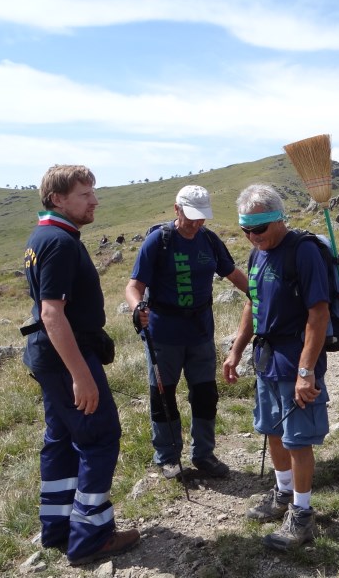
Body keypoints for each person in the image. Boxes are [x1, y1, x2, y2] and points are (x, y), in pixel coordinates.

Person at [22, 165, 139, 566]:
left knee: (59, 439)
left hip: (47, 355)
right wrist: (81, 375)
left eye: (93, 192)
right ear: (58, 199)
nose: (94, 200)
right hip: (64, 357)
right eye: (85, 193)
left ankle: (56, 528)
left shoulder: (44, 236)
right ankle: (91, 536)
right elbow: (53, 313)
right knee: (100, 436)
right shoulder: (59, 242)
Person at [222, 184, 330, 551]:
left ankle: (302, 515)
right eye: (246, 231)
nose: (253, 238)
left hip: (294, 359)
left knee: (298, 439)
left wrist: (306, 371)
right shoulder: (257, 255)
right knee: (271, 428)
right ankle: (283, 494)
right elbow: (253, 304)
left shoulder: (303, 252)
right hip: (266, 359)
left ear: (279, 219)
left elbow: (318, 312)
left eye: (260, 229)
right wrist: (236, 350)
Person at [125, 185, 248, 479]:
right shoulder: (159, 241)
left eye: (201, 217)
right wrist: (137, 306)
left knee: (205, 394)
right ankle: (167, 457)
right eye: (191, 216)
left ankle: (204, 455)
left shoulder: (208, 240)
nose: (196, 224)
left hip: (201, 332)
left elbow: (232, 273)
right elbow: (134, 286)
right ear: (176, 209)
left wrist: (258, 294)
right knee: (163, 396)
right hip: (163, 334)